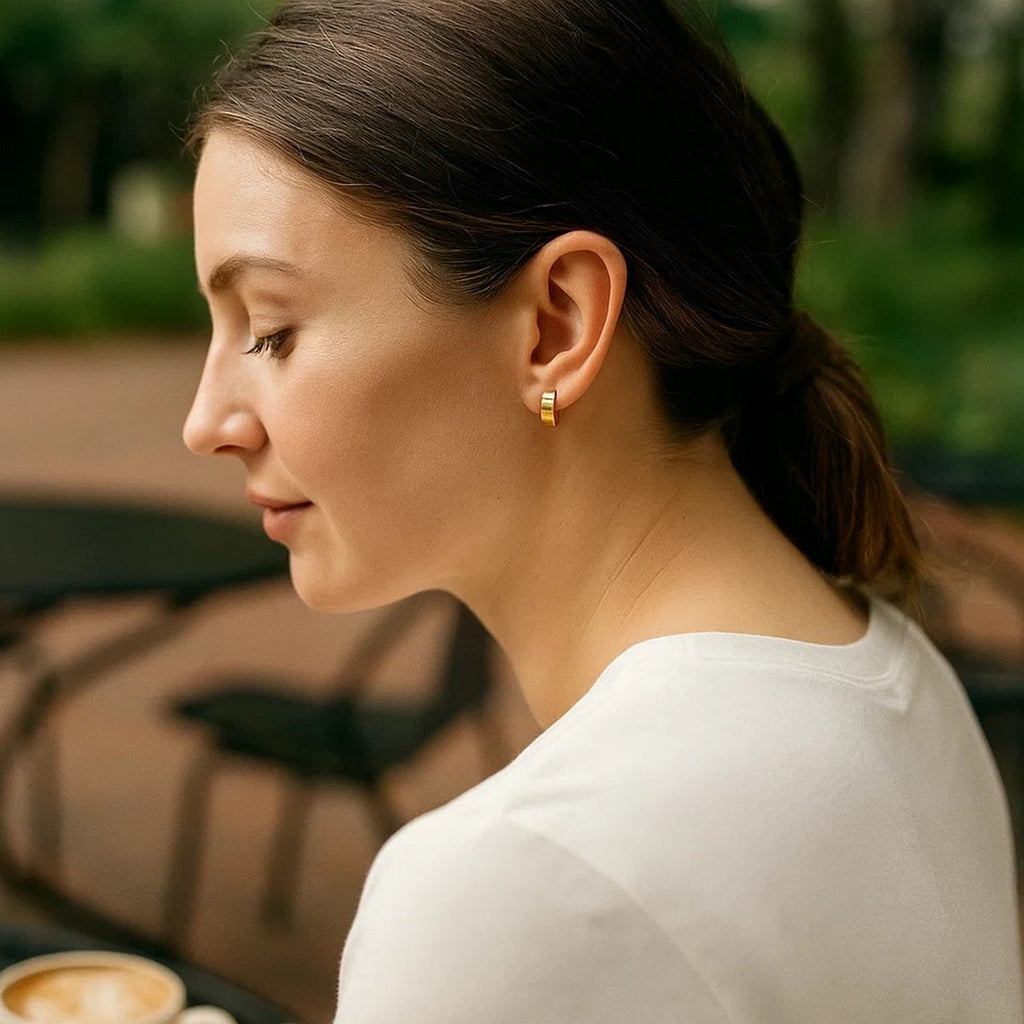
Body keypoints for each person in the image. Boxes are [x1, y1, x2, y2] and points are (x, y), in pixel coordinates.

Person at [182, 0, 1024, 1019]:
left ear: (557, 326)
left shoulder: (514, 883)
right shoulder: (893, 677)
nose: (206, 423)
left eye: (270, 330)